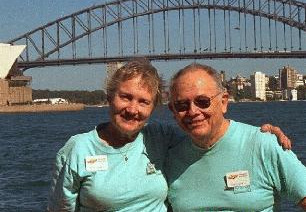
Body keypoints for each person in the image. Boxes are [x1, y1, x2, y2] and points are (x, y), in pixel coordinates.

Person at [47, 59, 291, 211]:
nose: (132, 109)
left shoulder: (161, 138)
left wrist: (259, 137)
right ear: (109, 97)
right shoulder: (77, 149)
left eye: (143, 101)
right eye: (125, 97)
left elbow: (208, 133)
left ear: (154, 108)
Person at [166, 63, 306, 211]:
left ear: (223, 102)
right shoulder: (166, 156)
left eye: (202, 102)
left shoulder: (263, 145)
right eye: (181, 105)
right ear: (173, 111)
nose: (193, 111)